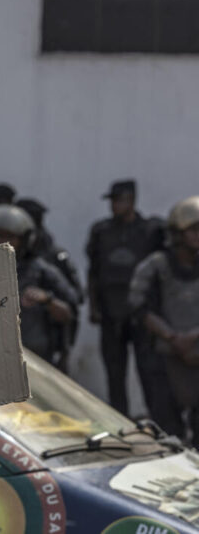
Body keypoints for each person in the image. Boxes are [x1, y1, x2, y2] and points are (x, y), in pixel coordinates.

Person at [86, 180, 165, 417]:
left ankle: (158, 422)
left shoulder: (150, 231)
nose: (113, 206)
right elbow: (94, 271)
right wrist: (94, 306)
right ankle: (119, 422)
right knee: (114, 372)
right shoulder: (102, 231)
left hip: (142, 314)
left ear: (131, 200)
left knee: (149, 372)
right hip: (111, 313)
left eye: (118, 200)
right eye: (112, 201)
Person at [128, 196, 199, 443]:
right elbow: (138, 306)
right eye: (194, 229)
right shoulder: (155, 266)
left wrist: (192, 337)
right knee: (169, 434)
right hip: (164, 360)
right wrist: (173, 338)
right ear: (178, 233)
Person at [0, 204, 79, 367]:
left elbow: (69, 313)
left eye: (10, 237)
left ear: (24, 240)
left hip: (35, 361)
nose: (3, 242)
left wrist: (47, 300)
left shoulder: (42, 271)